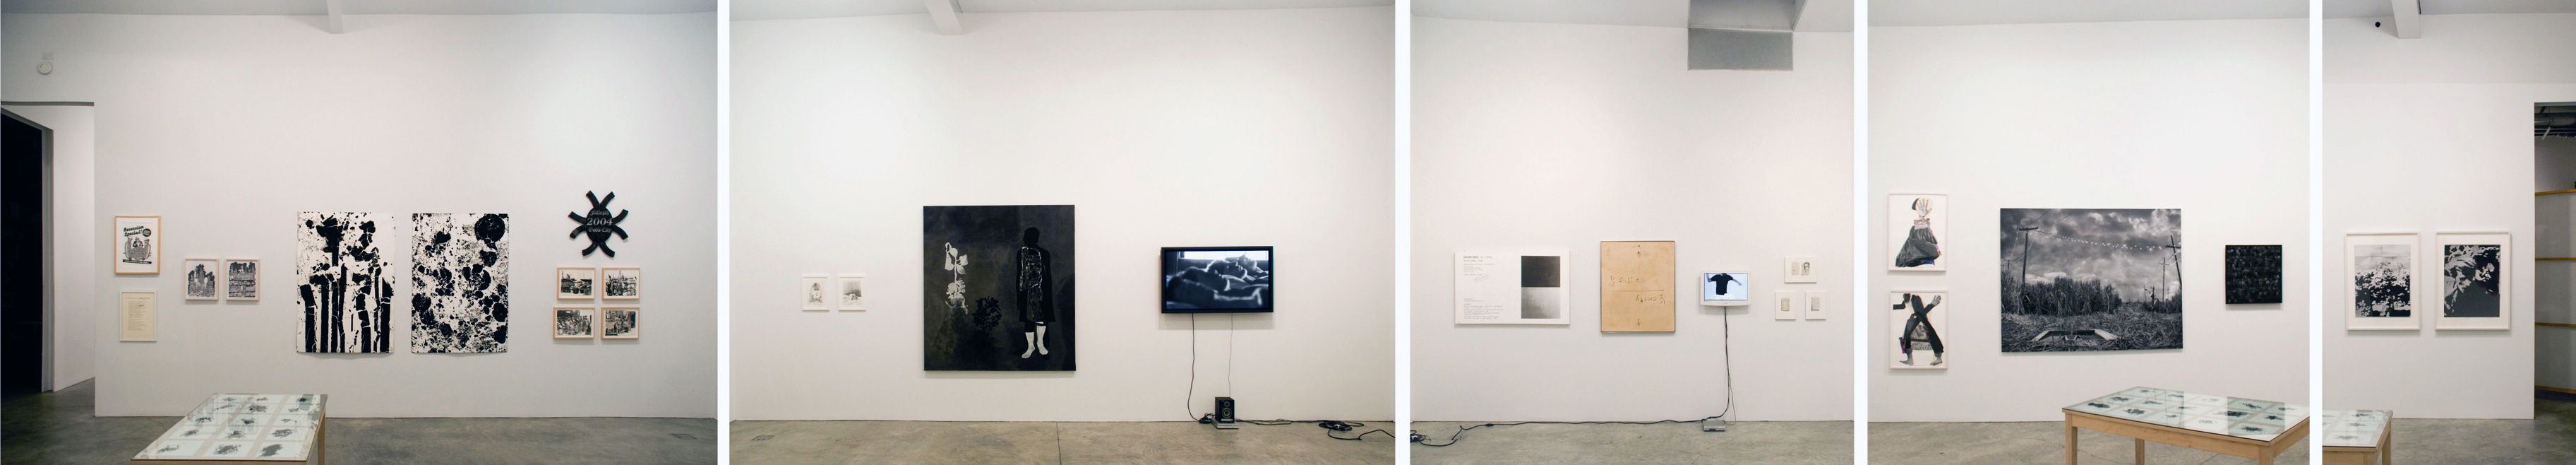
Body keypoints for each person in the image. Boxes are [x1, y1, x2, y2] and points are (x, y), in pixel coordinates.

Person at [1016, 228, 1053, 359]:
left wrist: (1048, 295)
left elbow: (1048, 275)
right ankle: (1030, 346)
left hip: (1041, 290)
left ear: (1034, 238)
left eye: (1026, 236)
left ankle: (1040, 343)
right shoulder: (1021, 253)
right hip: (1026, 291)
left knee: (1041, 319)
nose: (1024, 239)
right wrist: (1019, 295)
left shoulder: (1045, 254)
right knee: (1029, 320)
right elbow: (1019, 274)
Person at [1896, 293, 1945, 366]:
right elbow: (1902, 306)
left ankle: (1939, 358)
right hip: (1913, 319)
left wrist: (1932, 305)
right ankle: (1910, 360)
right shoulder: (1906, 298)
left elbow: (1922, 312)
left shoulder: (1916, 298)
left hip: (1921, 318)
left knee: (1931, 335)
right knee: (1905, 337)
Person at [1895, 197, 1942, 268]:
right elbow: (1918, 242)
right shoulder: (1917, 229)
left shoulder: (1926, 228)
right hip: (1919, 263)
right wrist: (1921, 218)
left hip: (1924, 263)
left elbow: (1933, 248)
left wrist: (1922, 219)